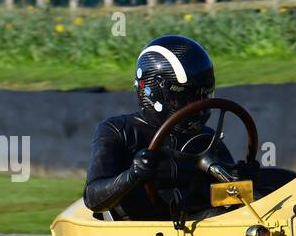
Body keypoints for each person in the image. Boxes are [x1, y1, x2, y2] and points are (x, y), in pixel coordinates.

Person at [84, 36, 239, 221]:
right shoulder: (118, 130)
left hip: (201, 225)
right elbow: (93, 198)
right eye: (186, 98)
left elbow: (229, 195)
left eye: (203, 96)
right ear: (154, 93)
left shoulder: (206, 137)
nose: (198, 106)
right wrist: (133, 175)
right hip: (139, 231)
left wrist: (242, 177)